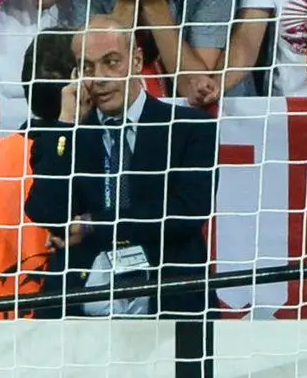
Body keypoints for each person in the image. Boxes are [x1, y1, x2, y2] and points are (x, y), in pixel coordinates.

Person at [22, 16, 217, 315]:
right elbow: (46, 211)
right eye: (87, 67)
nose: (99, 77)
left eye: (111, 62)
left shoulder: (190, 128)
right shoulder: (66, 132)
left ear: (137, 61)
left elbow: (186, 213)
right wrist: (64, 123)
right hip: (79, 314)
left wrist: (92, 224)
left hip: (168, 305)